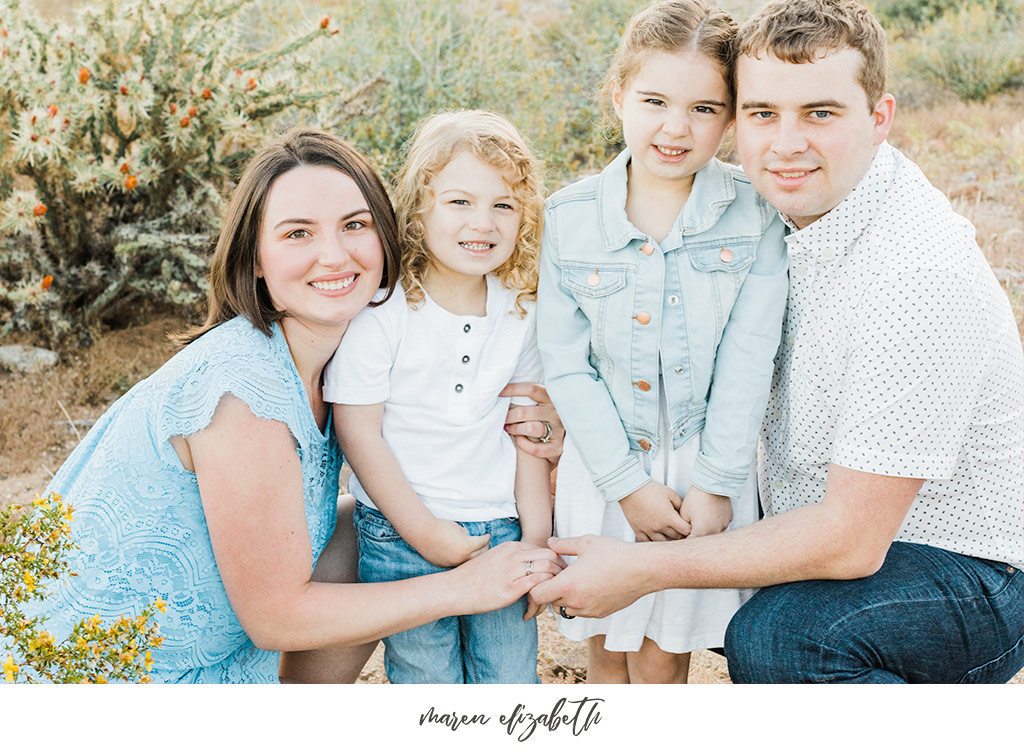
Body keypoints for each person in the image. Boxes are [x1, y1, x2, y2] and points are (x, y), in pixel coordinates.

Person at [531, 0, 1024, 684]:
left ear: (880, 118)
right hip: (827, 530)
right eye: (764, 113)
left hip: (959, 568)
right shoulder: (776, 213)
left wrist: (643, 569)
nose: (786, 144)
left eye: (820, 112)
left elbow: (852, 541)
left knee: (782, 638)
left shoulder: (916, 274)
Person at [36, 127, 563, 684]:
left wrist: (541, 424)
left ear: (386, 237)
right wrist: (461, 588)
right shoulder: (241, 393)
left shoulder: (337, 357)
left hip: (220, 655)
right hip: (111, 680)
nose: (333, 255)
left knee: (366, 524)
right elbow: (273, 619)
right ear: (256, 259)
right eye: (298, 234)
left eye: (355, 225)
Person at [536, 0, 787, 683]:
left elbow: (749, 354)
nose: (676, 128)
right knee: (605, 644)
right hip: (609, 468)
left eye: (706, 109)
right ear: (618, 93)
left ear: (731, 118)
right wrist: (625, 485)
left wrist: (716, 484)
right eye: (654, 100)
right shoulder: (569, 218)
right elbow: (565, 362)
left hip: (705, 464)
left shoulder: (755, 212)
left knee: (660, 660)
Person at [327, 111, 551, 683]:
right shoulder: (382, 312)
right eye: (459, 202)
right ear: (418, 209)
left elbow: (524, 434)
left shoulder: (522, 309)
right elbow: (359, 434)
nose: (483, 222)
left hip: (499, 527)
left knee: (508, 680)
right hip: (402, 531)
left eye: (503, 204)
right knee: (427, 680)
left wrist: (536, 537)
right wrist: (427, 533)